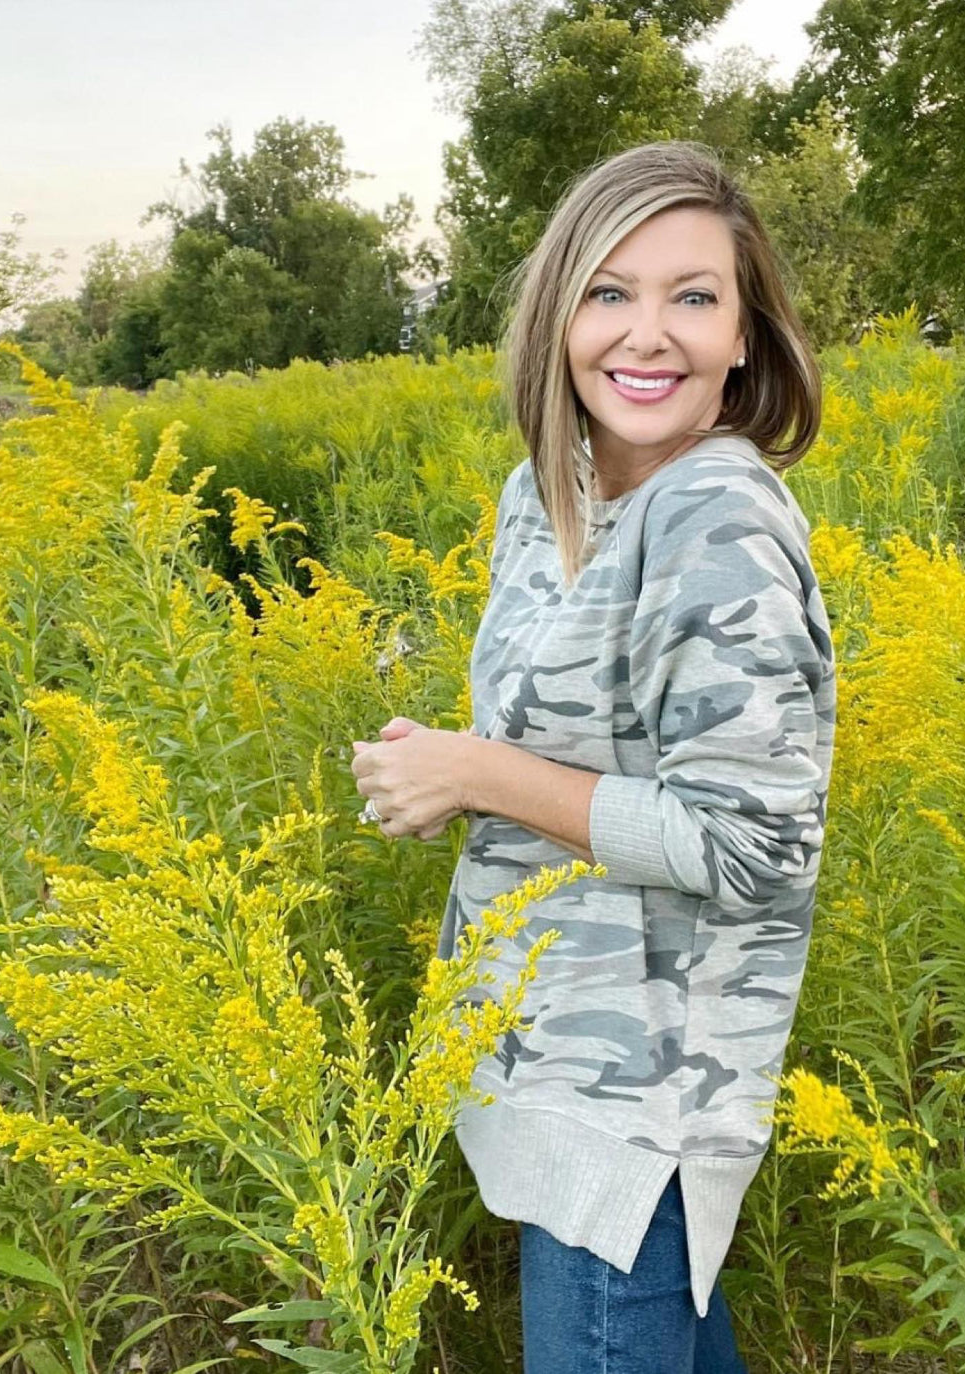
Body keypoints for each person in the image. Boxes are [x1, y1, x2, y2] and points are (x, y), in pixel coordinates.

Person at [351, 140, 836, 1374]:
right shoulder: (551, 489)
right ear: (558, 318)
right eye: (610, 292)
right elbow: (559, 730)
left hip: (632, 1111)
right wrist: (455, 758)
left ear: (745, 338)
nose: (649, 332)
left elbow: (758, 845)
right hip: (540, 1055)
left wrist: (475, 775)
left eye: (694, 295)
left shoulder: (716, 519)